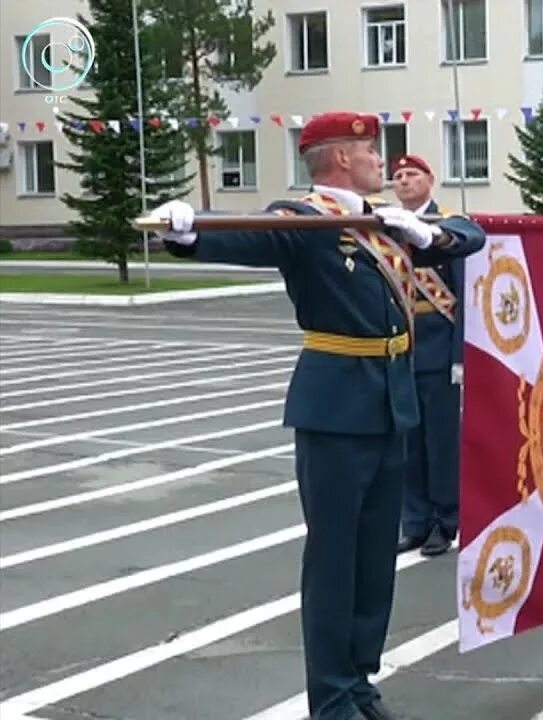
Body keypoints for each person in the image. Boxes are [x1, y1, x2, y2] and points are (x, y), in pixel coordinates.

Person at [146, 112, 463, 720]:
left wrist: (427, 237)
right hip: (337, 410)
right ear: (341, 158)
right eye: (371, 150)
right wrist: (186, 234)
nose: (381, 162)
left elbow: (467, 236)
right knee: (335, 559)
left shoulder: (385, 223)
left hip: (392, 404)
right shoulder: (306, 221)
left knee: (374, 563)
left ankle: (360, 680)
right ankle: (332, 698)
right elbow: (249, 238)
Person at [388, 154, 486, 556]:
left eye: (412, 174)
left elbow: (464, 293)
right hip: (402, 347)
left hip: (438, 346)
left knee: (441, 442)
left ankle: (445, 522)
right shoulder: (390, 227)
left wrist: (459, 354)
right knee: (408, 441)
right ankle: (414, 521)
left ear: (430, 179)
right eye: (397, 176)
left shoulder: (447, 226)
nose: (404, 181)